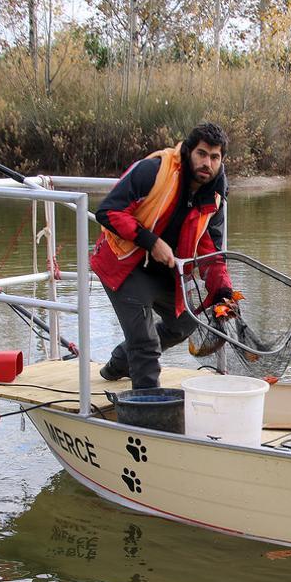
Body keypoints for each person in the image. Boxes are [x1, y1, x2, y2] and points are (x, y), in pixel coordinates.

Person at [91, 122, 234, 389]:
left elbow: (211, 249)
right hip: (125, 264)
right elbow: (108, 212)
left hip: (166, 271)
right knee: (145, 345)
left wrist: (223, 289)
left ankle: (119, 363)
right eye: (202, 154)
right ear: (189, 151)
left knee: (184, 325)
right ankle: (148, 414)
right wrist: (151, 241)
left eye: (215, 157)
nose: (207, 163)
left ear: (221, 160)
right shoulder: (154, 170)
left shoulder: (214, 191)